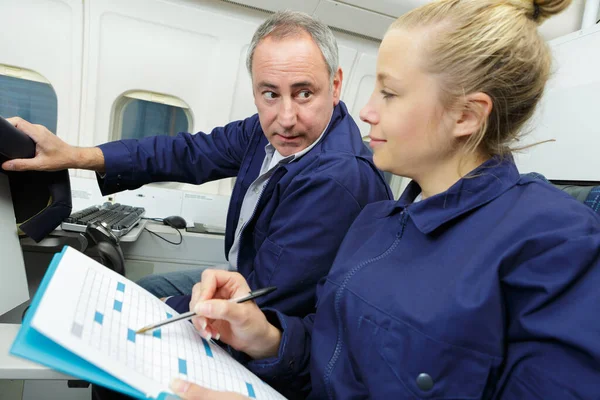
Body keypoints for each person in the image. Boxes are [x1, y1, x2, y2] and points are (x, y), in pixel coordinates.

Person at [162, 0, 600, 399]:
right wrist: (262, 335)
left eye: (389, 93)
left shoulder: (554, 243)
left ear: (465, 116)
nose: (367, 111)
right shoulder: (377, 223)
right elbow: (330, 360)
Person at [1, 11, 392, 321]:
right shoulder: (263, 130)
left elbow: (269, 300)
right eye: (270, 94)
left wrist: (148, 315)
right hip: (243, 279)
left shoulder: (339, 180)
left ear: (336, 85)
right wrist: (75, 155)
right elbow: (187, 152)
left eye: (304, 93)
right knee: (141, 289)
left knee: (119, 310)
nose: (286, 117)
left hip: (269, 314)